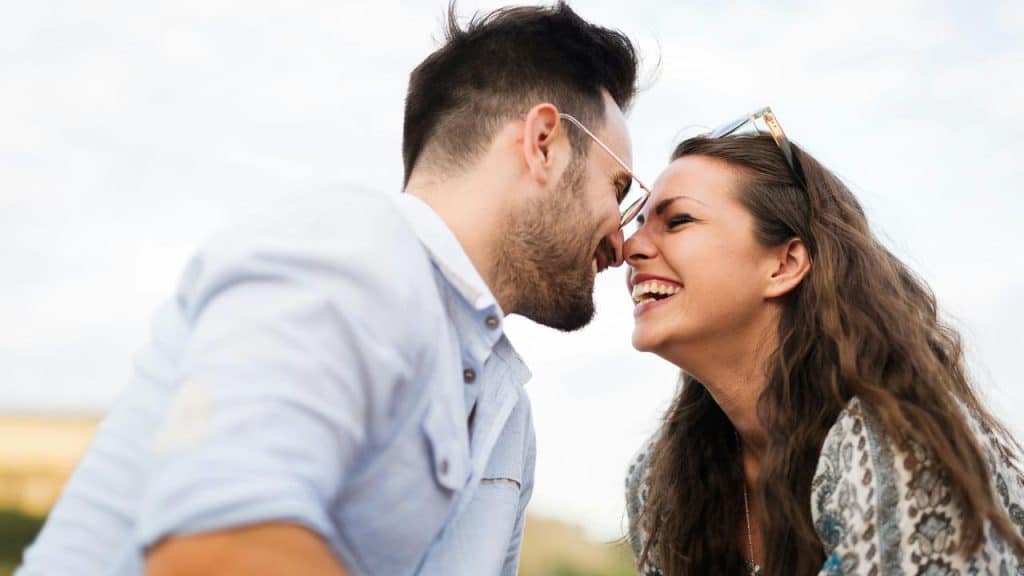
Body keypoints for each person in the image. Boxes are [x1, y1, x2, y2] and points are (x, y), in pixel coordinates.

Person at [17, 3, 646, 575]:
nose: (621, 240)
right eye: (616, 189)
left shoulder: (510, 419)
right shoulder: (350, 249)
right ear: (543, 144)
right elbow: (219, 553)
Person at [622, 107, 1024, 575]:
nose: (632, 248)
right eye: (639, 224)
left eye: (678, 221)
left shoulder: (899, 446)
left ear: (785, 264)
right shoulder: (660, 479)